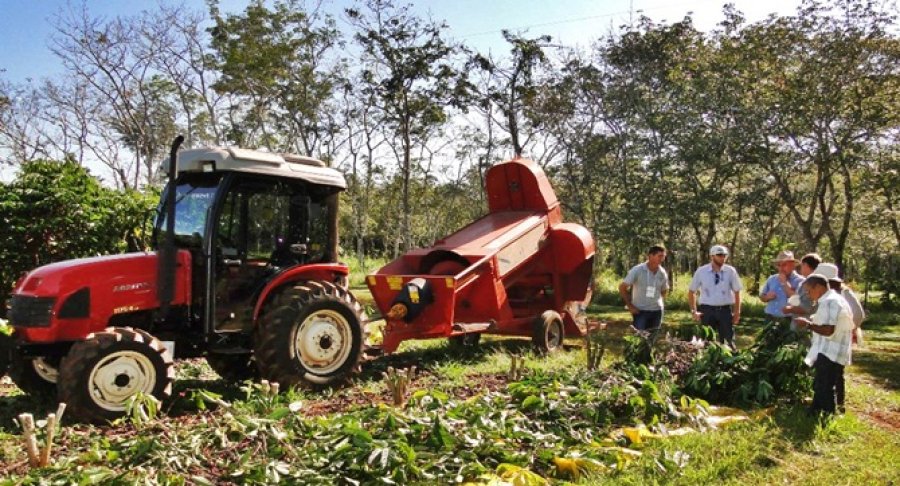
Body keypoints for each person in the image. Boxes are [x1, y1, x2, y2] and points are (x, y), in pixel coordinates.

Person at [793, 273, 854, 416]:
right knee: (823, 382)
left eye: (809, 290)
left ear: (819, 287)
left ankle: (827, 414)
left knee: (824, 385)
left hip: (830, 350)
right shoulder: (836, 299)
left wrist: (808, 325)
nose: (808, 294)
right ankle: (817, 409)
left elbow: (828, 330)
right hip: (834, 349)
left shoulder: (829, 302)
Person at [821, 263, 866, 413]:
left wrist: (845, 328)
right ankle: (829, 403)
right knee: (828, 372)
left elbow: (858, 315)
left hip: (838, 339)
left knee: (837, 372)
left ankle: (839, 405)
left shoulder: (844, 294)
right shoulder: (826, 294)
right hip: (826, 339)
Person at [688, 245, 743, 347]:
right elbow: (691, 291)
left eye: (724, 255)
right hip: (707, 310)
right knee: (706, 342)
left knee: (728, 341)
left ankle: (728, 362)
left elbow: (737, 291)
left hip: (725, 311)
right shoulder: (701, 271)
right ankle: (707, 362)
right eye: (719, 255)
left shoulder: (730, 271)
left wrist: (737, 312)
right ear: (712, 256)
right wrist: (693, 311)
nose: (723, 258)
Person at [619, 245, 669, 332]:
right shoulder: (637, 270)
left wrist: (658, 302)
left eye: (663, 256)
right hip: (640, 311)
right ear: (650, 256)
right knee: (639, 338)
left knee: (652, 338)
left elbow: (664, 290)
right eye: (660, 256)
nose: (662, 259)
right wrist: (630, 306)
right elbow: (622, 287)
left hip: (657, 311)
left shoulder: (662, 273)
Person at [759, 250, 803, 328]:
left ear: (793, 265)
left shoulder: (800, 281)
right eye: (779, 265)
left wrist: (784, 283)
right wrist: (767, 297)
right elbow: (762, 296)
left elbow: (797, 300)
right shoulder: (772, 279)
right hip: (770, 318)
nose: (781, 268)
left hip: (789, 320)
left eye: (784, 265)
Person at [782, 253, 822, 329]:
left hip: (804, 327)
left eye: (802, 265)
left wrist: (789, 309)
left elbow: (806, 307)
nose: (800, 268)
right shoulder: (807, 282)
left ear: (806, 265)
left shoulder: (810, 284)